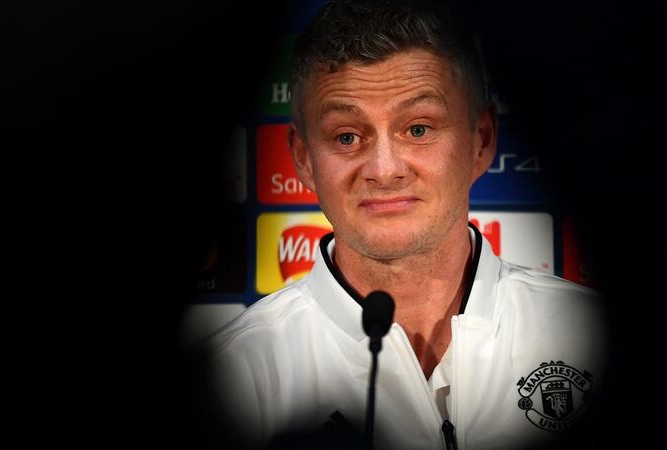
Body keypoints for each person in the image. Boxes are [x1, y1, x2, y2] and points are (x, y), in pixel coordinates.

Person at [204, 1, 608, 449]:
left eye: (418, 129)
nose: (384, 169)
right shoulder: (232, 374)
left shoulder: (593, 333)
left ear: (481, 140)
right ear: (303, 158)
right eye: (347, 136)